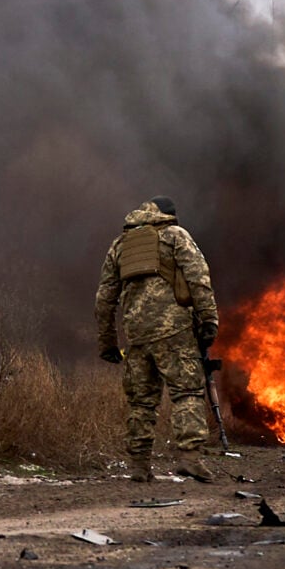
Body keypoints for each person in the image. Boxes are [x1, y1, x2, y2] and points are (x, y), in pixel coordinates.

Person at [94, 197, 222, 484]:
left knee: (141, 402)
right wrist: (209, 320)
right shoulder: (175, 236)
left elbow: (104, 298)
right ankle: (190, 459)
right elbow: (199, 278)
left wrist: (108, 343)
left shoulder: (120, 245)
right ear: (168, 216)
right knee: (187, 393)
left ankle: (139, 466)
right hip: (174, 331)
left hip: (136, 336)